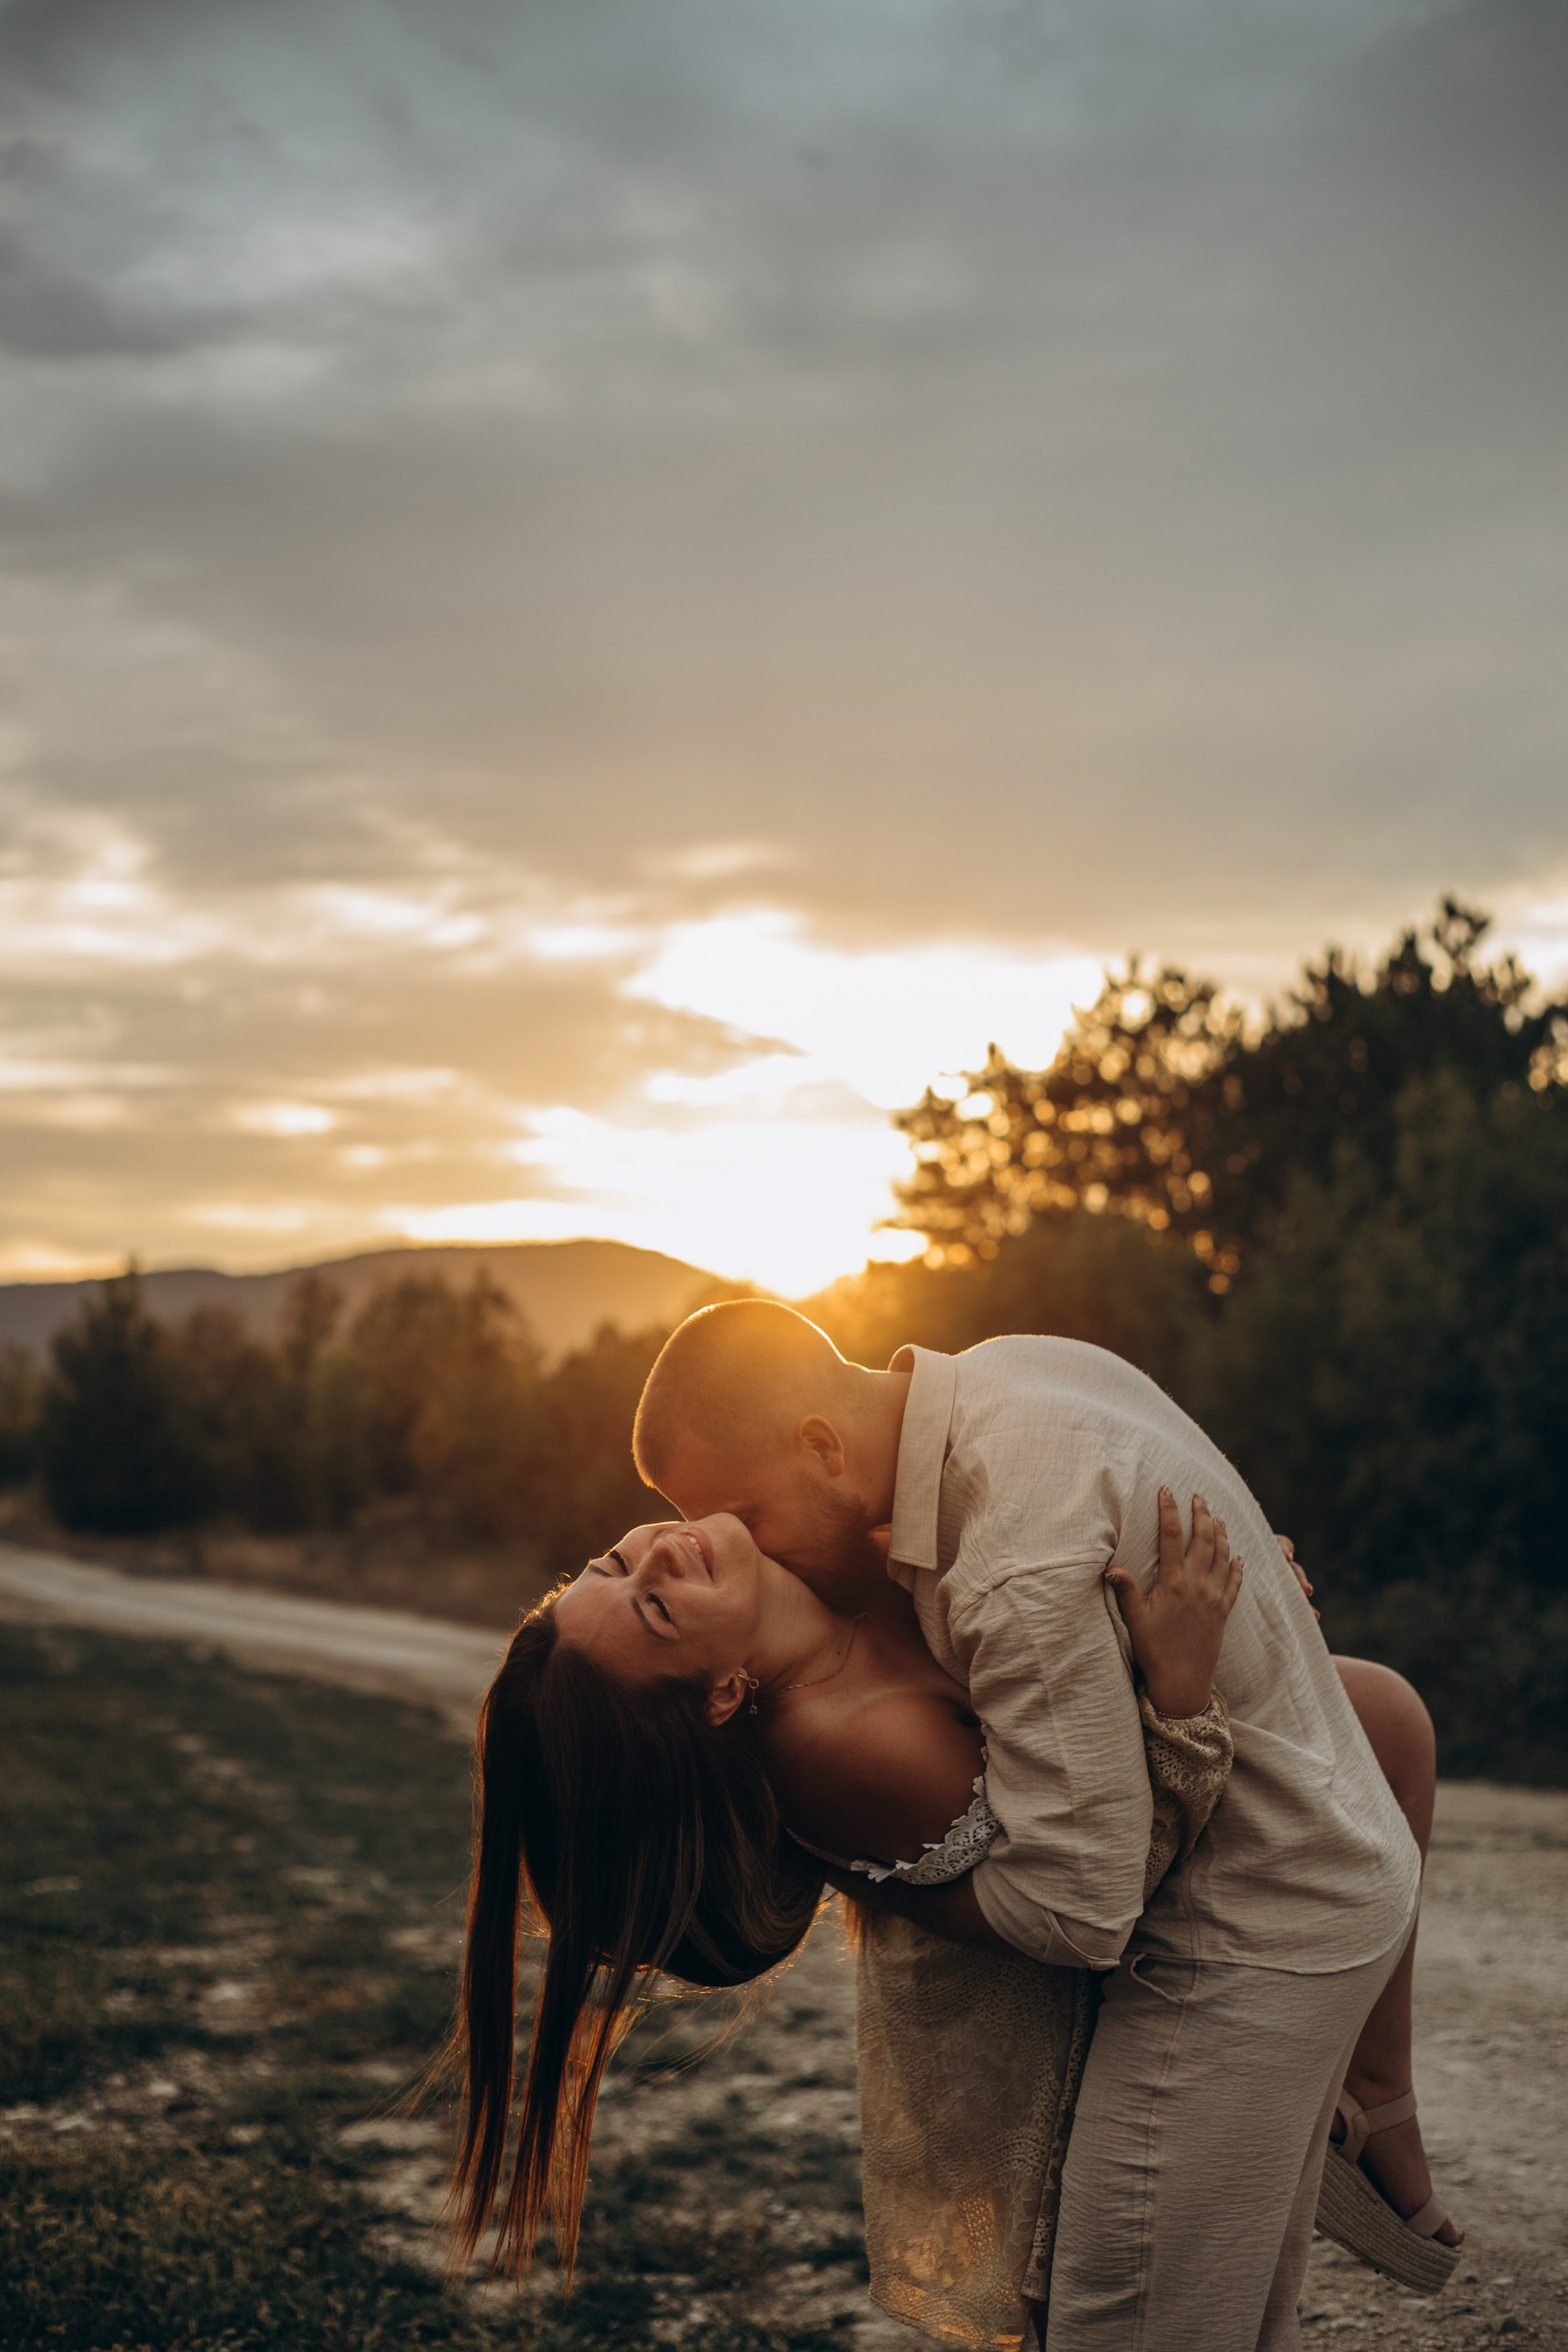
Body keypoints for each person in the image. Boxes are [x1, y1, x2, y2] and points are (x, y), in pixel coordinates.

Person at [628, 1305, 1459, 2346]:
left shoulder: (1010, 1562)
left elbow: (1083, 1907)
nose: (748, 1547)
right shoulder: (1014, 1374)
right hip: (1319, 1880)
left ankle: (1365, 2103)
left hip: (1245, 1942)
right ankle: (1363, 2105)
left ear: (824, 1447)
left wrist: (878, 1876)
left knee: (1124, 2325)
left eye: (749, 1511)